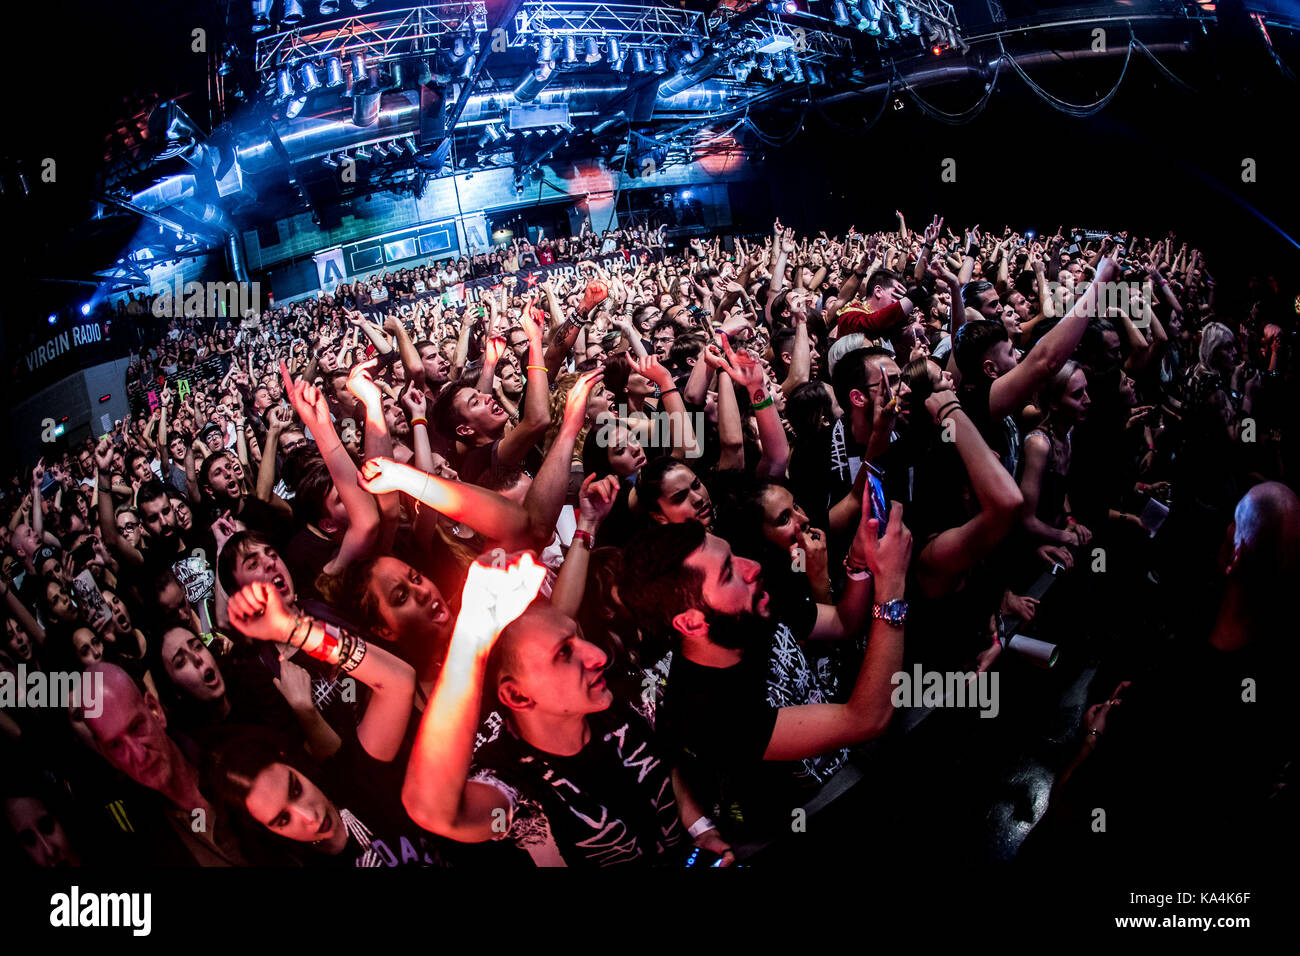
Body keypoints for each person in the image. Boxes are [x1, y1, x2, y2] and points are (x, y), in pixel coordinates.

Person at [401, 552, 733, 867]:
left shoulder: (625, 701)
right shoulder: (512, 783)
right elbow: (434, 812)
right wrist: (472, 634)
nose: (597, 656)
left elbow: (662, 762)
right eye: (564, 653)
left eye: (579, 638)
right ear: (517, 696)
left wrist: (703, 831)